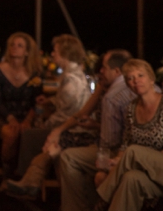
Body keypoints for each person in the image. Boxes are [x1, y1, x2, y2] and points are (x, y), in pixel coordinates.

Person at [8, 49, 132, 198]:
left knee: (59, 144)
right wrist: (58, 130)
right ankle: (33, 181)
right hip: (98, 136)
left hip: (105, 143)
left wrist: (93, 126)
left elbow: (117, 133)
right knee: (59, 138)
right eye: (99, 72)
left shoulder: (118, 93)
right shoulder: (103, 86)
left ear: (117, 71)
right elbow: (81, 114)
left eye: (103, 70)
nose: (101, 74)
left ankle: (32, 180)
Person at [94, 58, 163, 210]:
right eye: (130, 78)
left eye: (140, 75)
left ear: (151, 78)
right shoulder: (131, 108)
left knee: (133, 152)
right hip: (137, 167)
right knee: (130, 177)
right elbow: (126, 143)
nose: (135, 81)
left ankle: (100, 202)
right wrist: (117, 160)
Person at [57, 49, 135, 211]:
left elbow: (108, 143)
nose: (100, 70)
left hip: (121, 153)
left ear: (116, 71)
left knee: (68, 157)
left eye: (104, 67)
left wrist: (103, 163)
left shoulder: (112, 96)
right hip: (135, 151)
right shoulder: (145, 87)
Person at [10, 34, 90, 186]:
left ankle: (26, 180)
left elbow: (65, 115)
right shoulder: (74, 74)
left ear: (65, 54)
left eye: (55, 51)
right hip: (73, 127)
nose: (52, 54)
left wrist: (44, 124)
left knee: (29, 134)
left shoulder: (71, 79)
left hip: (73, 130)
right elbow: (68, 102)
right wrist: (50, 101)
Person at [0, 31, 43, 178]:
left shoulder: (34, 73)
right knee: (11, 133)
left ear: (26, 52)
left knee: (29, 133)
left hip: (27, 117)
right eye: (12, 44)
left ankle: (27, 176)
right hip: (4, 116)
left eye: (20, 45)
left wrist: (27, 120)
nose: (14, 47)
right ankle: (9, 174)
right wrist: (11, 118)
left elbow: (36, 101)